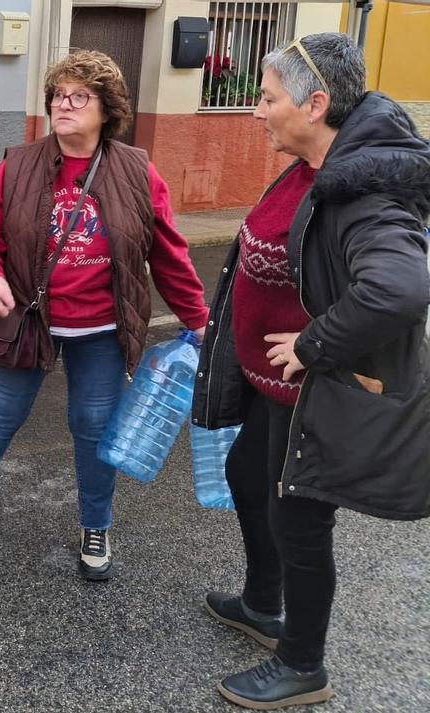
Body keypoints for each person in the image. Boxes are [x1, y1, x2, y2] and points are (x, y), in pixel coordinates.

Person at [193, 33, 430, 709]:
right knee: (246, 476)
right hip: (278, 391)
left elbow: (398, 289)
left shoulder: (365, 190)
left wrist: (313, 343)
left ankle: (303, 663)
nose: (257, 111)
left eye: (268, 98)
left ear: (315, 102)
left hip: (318, 392)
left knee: (299, 523)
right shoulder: (316, 163)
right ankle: (263, 604)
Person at [0, 51, 210, 581]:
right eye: (58, 95)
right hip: (31, 320)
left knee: (94, 427)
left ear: (107, 109)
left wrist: (197, 320)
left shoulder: (137, 172)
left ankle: (96, 522)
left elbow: (167, 253)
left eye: (80, 96)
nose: (64, 105)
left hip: (101, 327)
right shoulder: (18, 164)